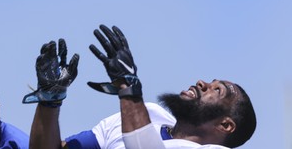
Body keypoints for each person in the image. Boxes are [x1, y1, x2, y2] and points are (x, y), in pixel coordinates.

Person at [23, 25, 256, 149]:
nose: (202, 83)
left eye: (217, 90)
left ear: (225, 125)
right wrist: (50, 101)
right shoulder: (148, 114)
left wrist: (129, 88)